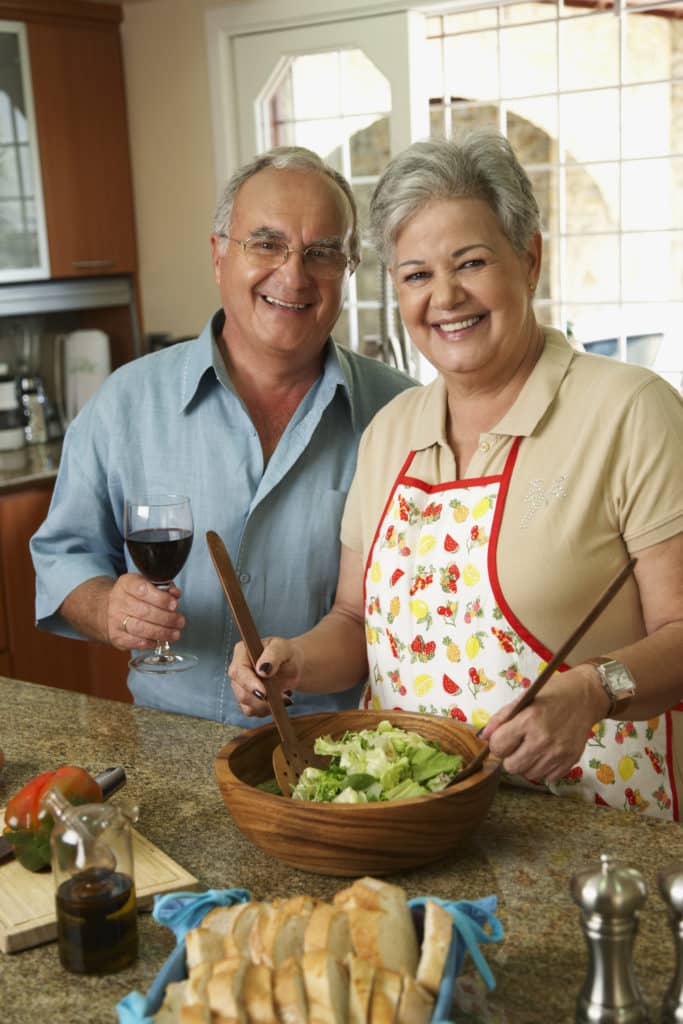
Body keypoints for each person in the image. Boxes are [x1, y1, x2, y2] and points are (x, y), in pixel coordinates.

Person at [230, 131, 683, 819]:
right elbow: (354, 622)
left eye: (469, 262)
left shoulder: (627, 409)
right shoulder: (390, 433)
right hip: (412, 821)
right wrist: (291, 660)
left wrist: (594, 690)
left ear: (529, 259)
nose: (444, 296)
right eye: (415, 274)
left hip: (591, 825)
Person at [30, 147, 415, 725]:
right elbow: (63, 556)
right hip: (167, 742)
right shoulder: (127, 402)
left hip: (337, 754)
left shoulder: (401, 414)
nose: (293, 274)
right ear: (218, 255)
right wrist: (108, 606)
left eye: (322, 253)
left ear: (349, 268)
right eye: (266, 243)